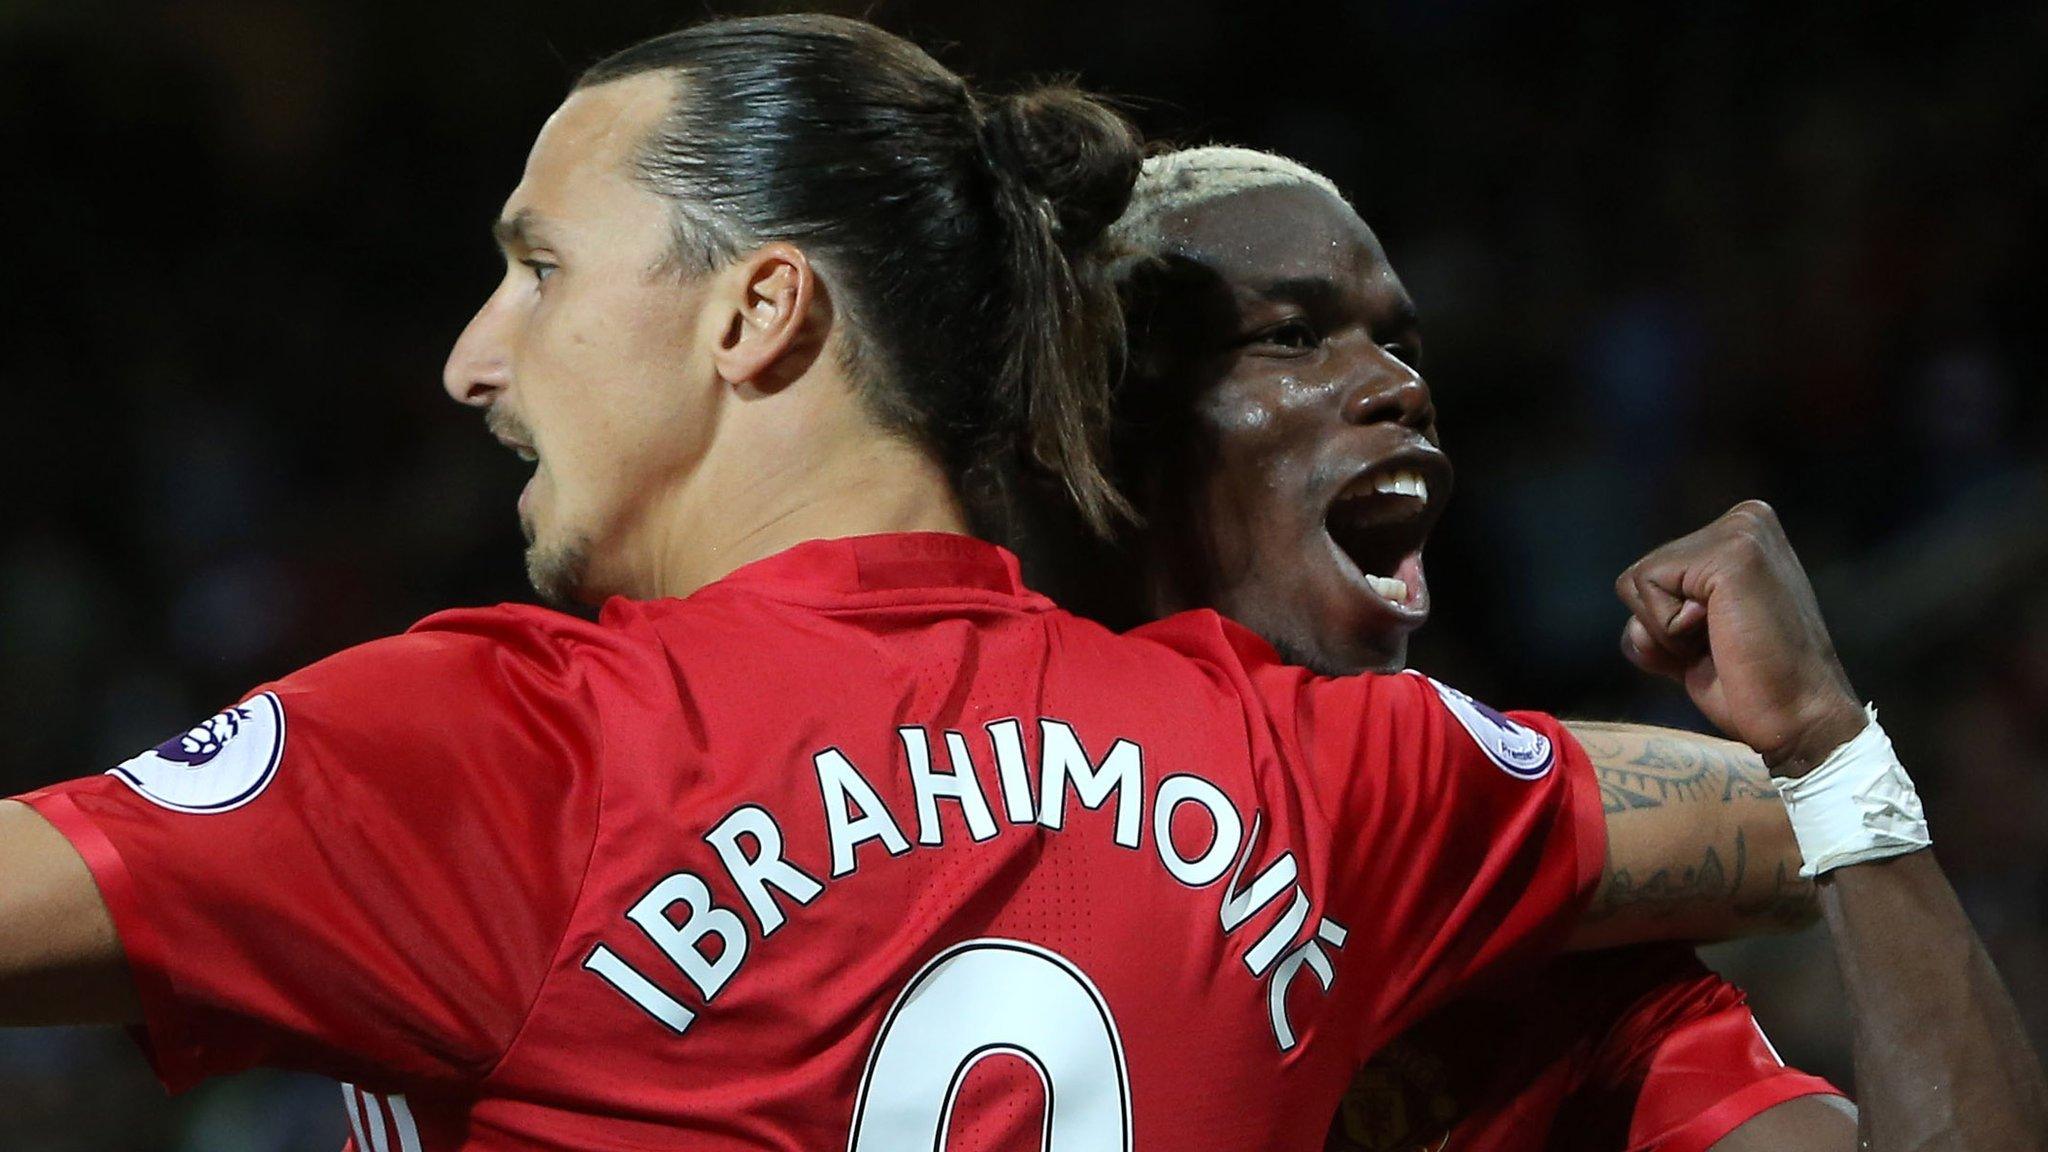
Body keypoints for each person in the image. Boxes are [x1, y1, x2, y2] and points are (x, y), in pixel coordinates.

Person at [0, 16, 1930, 1152]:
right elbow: (1775, 822)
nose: (475, 357)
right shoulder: (1320, 780)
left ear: (761, 312)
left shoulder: (508, 755)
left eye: (541, 269)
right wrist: (1827, 743)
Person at [1090, 145, 2048, 1151]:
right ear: (1108, 429)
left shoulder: (1532, 951)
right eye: (1290, 336)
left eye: (1403, 347)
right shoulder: (973, 799)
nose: (1397, 386)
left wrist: (1825, 748)